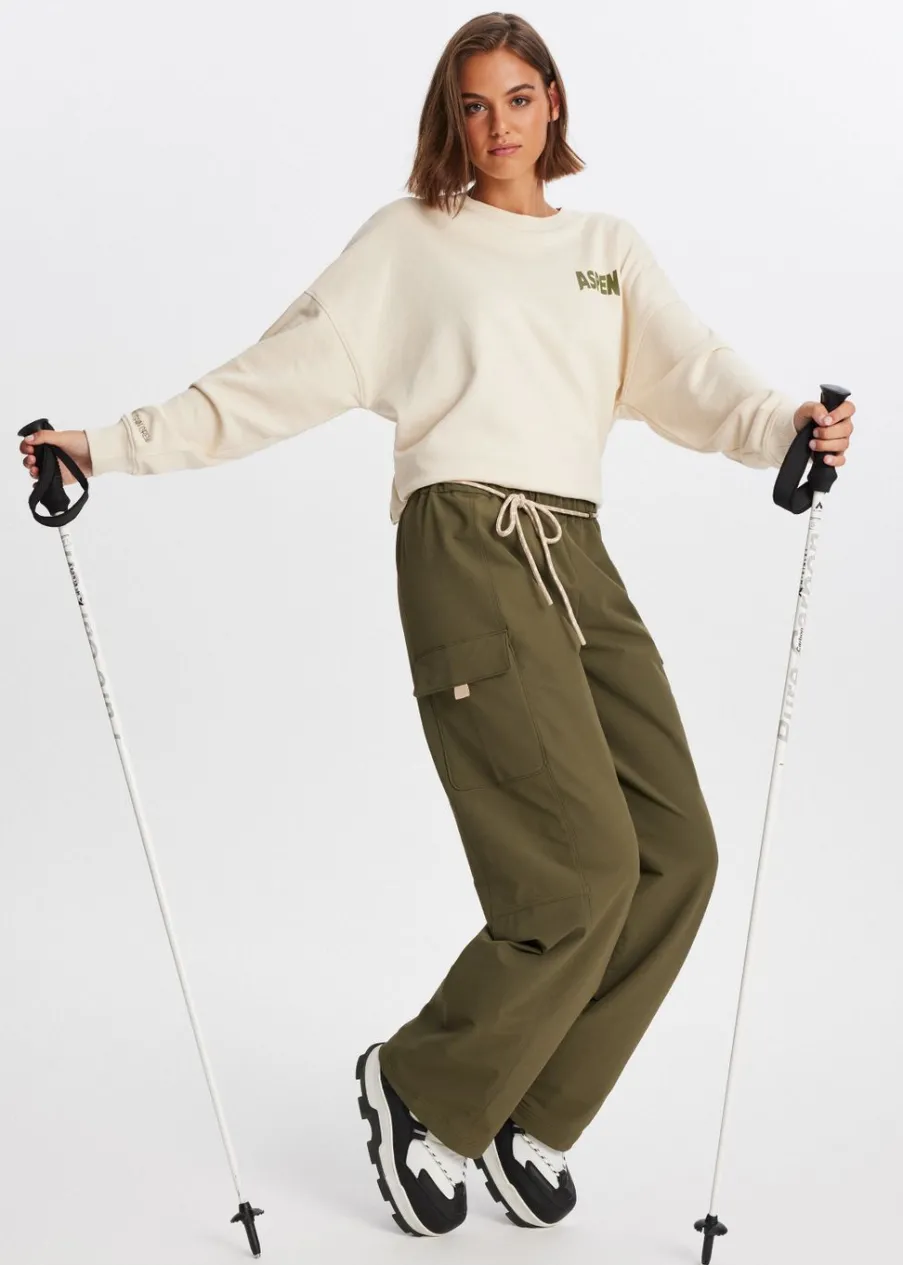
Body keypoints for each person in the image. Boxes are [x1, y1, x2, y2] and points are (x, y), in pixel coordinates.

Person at [20, 11, 854, 1242]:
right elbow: (270, 376)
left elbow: (696, 373)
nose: (498, 125)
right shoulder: (412, 241)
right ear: (449, 119)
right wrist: (111, 443)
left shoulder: (605, 250)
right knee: (579, 868)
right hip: (465, 545)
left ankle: (529, 1111)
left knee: (677, 855)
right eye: (474, 104)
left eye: (518, 98)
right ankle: (420, 1083)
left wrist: (789, 424)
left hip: (578, 551)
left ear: (553, 103)